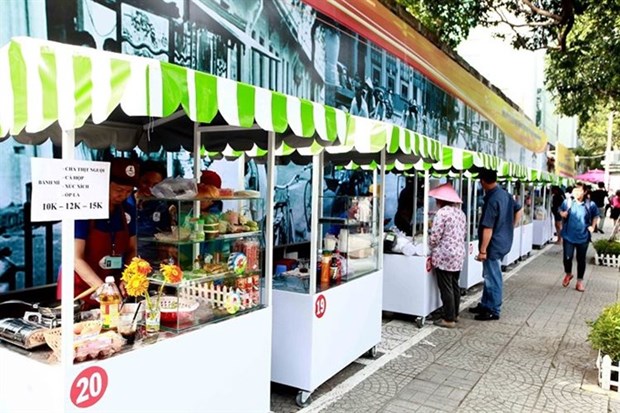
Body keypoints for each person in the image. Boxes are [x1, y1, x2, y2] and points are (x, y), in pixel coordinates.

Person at [57, 158, 139, 309]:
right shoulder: (83, 208)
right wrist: (103, 289)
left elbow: (132, 249)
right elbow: (75, 258)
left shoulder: (127, 209)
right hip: (81, 287)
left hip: (110, 282)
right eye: (119, 190)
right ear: (104, 184)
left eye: (129, 191)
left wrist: (128, 276)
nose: (124, 196)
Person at [469, 169, 522, 321]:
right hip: (503, 240)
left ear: (483, 181)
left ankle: (493, 309)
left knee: (493, 277)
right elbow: (519, 210)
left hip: (493, 244)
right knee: (489, 275)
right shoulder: (504, 194)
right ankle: (485, 304)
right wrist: (510, 226)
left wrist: (483, 250)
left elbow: (488, 227)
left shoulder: (492, 199)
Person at [428, 183, 467, 328]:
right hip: (458, 253)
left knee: (446, 287)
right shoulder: (460, 213)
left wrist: (430, 244)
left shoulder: (442, 213)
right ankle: (455, 313)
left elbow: (435, 236)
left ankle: (448, 319)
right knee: (454, 284)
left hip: (445, 254)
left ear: (440, 200)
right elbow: (463, 233)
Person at [560, 183, 599, 292]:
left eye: (579, 190)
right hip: (568, 236)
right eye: (575, 190)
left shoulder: (590, 205)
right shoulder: (567, 202)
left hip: (583, 237)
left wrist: (593, 226)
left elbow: (596, 216)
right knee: (567, 258)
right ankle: (568, 274)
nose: (576, 192)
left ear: (585, 192)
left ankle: (579, 282)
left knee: (581, 259)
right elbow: (561, 210)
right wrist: (562, 213)